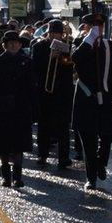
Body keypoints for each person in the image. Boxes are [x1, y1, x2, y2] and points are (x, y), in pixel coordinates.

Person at [71, 13, 112, 191]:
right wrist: (89, 41)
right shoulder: (80, 44)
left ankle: (101, 163)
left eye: (100, 24)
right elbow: (75, 60)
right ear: (87, 27)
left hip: (105, 98)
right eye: (93, 25)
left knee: (107, 137)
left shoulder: (111, 46)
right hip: (86, 98)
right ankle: (91, 178)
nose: (98, 28)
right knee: (89, 141)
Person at [0, 31, 36, 188]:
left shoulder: (26, 61)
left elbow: (32, 85)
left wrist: (34, 106)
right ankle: (6, 176)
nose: (13, 45)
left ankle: (18, 177)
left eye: (16, 43)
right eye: (10, 43)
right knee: (3, 144)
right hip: (2, 106)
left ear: (20, 45)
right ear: (4, 45)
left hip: (21, 106)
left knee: (19, 144)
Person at [31, 19, 75, 168]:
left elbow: (71, 69)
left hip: (63, 92)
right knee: (44, 125)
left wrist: (65, 59)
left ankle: (64, 157)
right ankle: (42, 155)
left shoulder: (68, 46)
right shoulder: (39, 46)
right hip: (45, 91)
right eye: (52, 33)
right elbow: (34, 68)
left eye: (58, 34)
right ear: (48, 33)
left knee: (63, 126)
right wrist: (50, 58)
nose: (55, 36)